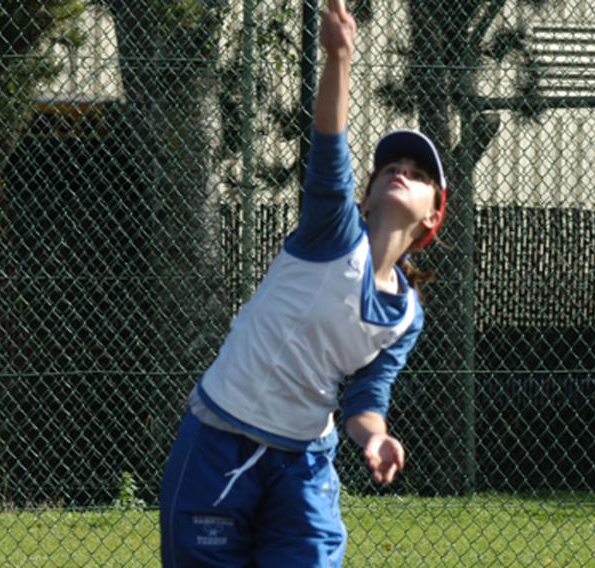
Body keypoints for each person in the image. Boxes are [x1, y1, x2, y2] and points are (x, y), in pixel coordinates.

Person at [158, 0, 447, 565]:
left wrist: (375, 437)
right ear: (363, 198)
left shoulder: (406, 316)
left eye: (417, 175)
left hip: (303, 461)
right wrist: (338, 58)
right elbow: (330, 149)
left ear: (433, 218)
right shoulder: (333, 234)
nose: (400, 171)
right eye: (390, 166)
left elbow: (366, 398)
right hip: (221, 438)